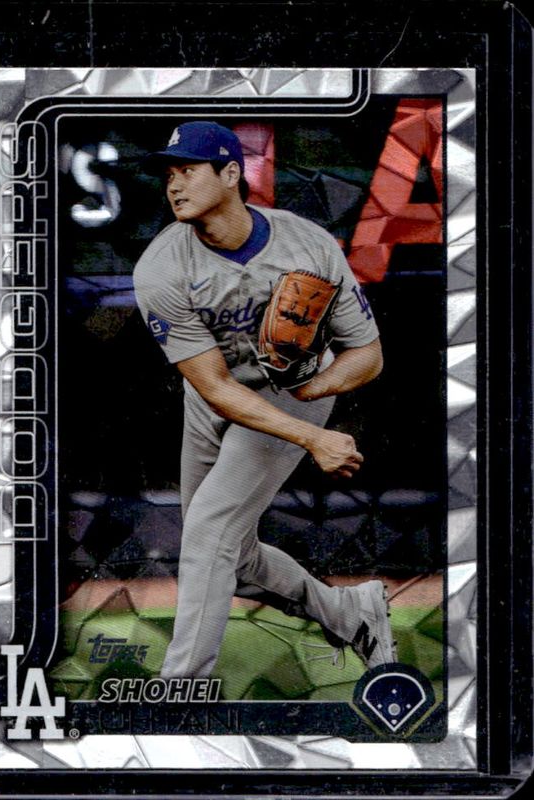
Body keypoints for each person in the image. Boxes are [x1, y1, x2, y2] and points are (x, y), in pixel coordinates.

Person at [133, 121, 396, 679]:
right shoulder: (161, 268)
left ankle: (182, 690)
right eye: (169, 173)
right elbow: (214, 387)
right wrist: (313, 438)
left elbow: (368, 355)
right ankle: (350, 613)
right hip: (216, 397)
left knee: (209, 532)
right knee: (232, 554)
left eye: (188, 170)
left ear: (231, 173)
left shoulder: (308, 245)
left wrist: (312, 390)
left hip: (291, 392)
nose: (173, 184)